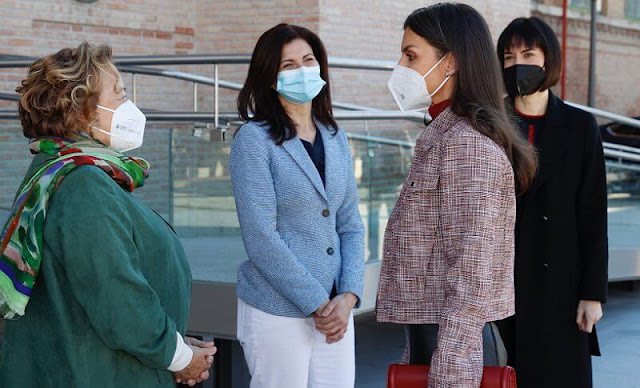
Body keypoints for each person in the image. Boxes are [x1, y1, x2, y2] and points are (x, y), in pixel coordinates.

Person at [0, 42, 215, 387]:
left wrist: (173, 345)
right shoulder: (83, 185)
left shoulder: (63, 172)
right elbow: (119, 302)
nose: (130, 106)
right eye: (119, 94)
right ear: (81, 111)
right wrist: (179, 357)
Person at [376, 4, 538, 387]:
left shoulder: (466, 144)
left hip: (455, 350)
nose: (400, 65)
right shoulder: (445, 133)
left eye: (411, 54)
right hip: (439, 339)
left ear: (450, 62)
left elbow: (470, 276)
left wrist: (449, 376)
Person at [230, 23, 365, 388]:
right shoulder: (253, 141)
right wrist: (318, 302)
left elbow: (350, 223)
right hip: (277, 309)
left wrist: (349, 295)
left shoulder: (335, 136)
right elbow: (261, 236)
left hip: (336, 311)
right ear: (270, 78)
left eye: (308, 60)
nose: (302, 70)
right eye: (288, 65)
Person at [495, 17, 608, 388]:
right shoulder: (488, 123)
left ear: (548, 60)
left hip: (561, 287)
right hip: (501, 286)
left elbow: (592, 214)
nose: (517, 65)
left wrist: (592, 294)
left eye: (528, 54)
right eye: (508, 57)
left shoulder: (579, 126)